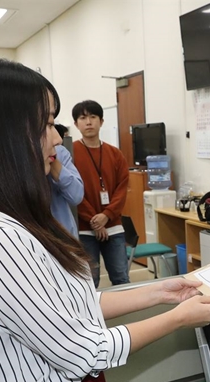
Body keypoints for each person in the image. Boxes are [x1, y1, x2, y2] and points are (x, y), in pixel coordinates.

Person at [0, 59, 210, 382]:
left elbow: (68, 308)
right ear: (5, 133)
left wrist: (159, 292)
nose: (57, 137)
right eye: (46, 123)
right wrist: (179, 318)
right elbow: (84, 351)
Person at [72, 100, 130, 287]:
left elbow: (122, 189)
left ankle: (128, 316)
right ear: (76, 124)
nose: (88, 122)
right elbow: (72, 191)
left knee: (121, 278)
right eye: (83, 118)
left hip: (113, 227)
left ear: (101, 122)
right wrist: (94, 221)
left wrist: (106, 216)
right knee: (90, 281)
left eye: (93, 117)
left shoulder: (115, 154)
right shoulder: (69, 153)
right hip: (84, 229)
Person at [49, 123, 84, 238]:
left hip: (65, 239)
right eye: (48, 125)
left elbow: (76, 196)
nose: (59, 140)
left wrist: (52, 159)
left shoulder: (59, 152)